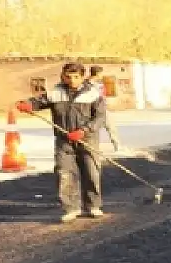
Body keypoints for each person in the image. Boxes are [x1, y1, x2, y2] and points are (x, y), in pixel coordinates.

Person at [15, 62, 106, 222]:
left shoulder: (93, 94)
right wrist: (28, 104)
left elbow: (100, 118)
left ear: (82, 76)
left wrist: (83, 131)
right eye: (68, 77)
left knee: (91, 172)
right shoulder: (55, 93)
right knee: (64, 173)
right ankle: (70, 208)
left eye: (76, 77)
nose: (71, 80)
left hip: (87, 139)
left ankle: (92, 205)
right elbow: (38, 102)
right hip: (64, 140)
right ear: (63, 76)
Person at [87, 65, 122, 151]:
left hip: (103, 109)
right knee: (93, 130)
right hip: (92, 110)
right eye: (101, 73)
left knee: (111, 127)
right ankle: (92, 149)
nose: (102, 75)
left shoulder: (100, 84)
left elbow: (104, 96)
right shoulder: (86, 85)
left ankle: (117, 147)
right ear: (98, 73)